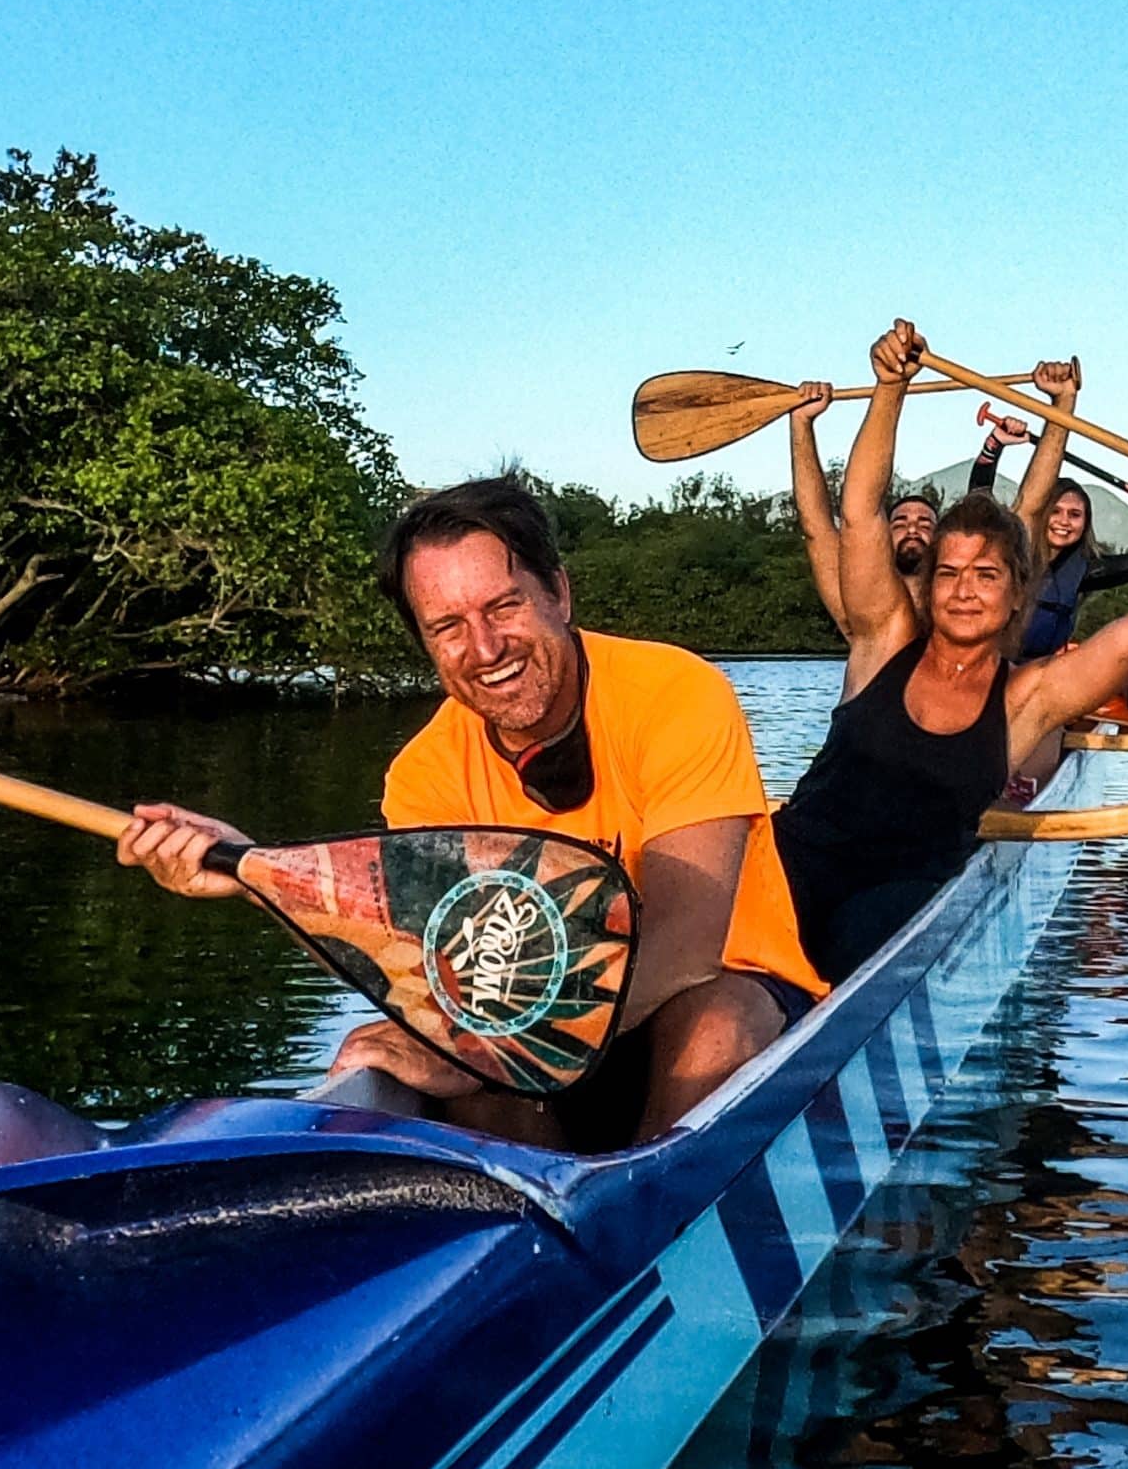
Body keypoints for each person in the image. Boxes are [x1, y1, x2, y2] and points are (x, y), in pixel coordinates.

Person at [117, 478, 825, 1151]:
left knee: (714, 1023)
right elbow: (409, 956)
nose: (485, 649)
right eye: (448, 626)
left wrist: (481, 1051)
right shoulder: (423, 776)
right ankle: (538, 1232)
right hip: (540, 1034)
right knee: (406, 1055)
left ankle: (649, 1211)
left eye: (504, 606)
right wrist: (255, 876)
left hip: (717, 993)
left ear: (559, 593)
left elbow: (686, 945)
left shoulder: (676, 693)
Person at [772, 320, 1128, 982]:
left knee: (866, 938)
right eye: (949, 572)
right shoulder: (881, 640)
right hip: (787, 871)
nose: (964, 591)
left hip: (886, 918)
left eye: (985, 574)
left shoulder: (1026, 697)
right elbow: (858, 512)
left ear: (1015, 589)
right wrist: (889, 389)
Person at [970, 423, 1128, 659]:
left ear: (1085, 524)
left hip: (1034, 674)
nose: (1064, 521)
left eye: (1075, 514)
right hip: (986, 664)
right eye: (1055, 511)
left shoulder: (1082, 570)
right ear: (1041, 512)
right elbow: (978, 498)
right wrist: (994, 444)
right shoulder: (1008, 550)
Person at [789, 382, 938, 633]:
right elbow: (817, 526)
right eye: (900, 523)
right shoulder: (857, 608)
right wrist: (801, 423)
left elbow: (1027, 512)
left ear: (941, 538)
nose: (912, 529)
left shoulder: (966, 604)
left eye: (925, 523)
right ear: (883, 536)